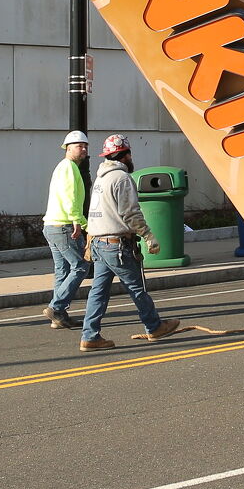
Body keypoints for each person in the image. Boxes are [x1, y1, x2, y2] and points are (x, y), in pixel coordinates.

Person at [79, 135, 182, 351]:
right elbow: (131, 213)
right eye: (129, 153)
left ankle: (89, 336)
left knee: (98, 291)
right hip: (115, 245)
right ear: (124, 155)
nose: (131, 158)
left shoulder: (101, 178)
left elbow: (95, 212)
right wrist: (148, 235)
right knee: (137, 287)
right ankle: (154, 327)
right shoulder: (121, 178)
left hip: (98, 243)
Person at [42, 129, 91, 329]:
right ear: (68, 148)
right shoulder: (69, 167)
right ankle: (56, 307)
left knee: (62, 271)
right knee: (81, 266)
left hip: (52, 226)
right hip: (64, 226)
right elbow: (70, 197)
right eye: (80, 146)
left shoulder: (63, 167)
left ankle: (59, 316)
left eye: (86, 146)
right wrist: (78, 222)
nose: (84, 149)